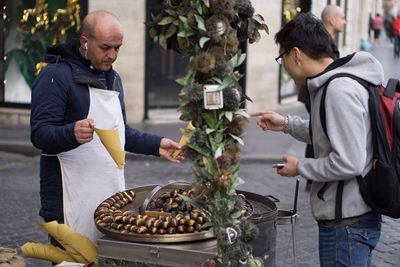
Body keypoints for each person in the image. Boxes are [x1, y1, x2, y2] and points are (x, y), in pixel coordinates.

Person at [30, 10, 182, 243]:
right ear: (85, 42)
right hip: (67, 198)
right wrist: (71, 133)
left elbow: (121, 133)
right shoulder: (55, 75)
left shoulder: (113, 78)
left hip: (108, 196)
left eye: (117, 48)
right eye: (105, 47)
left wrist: (157, 145)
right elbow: (39, 134)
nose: (112, 55)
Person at [252, 13, 383, 266]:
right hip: (352, 222)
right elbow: (333, 134)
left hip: (347, 225)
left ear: (296, 54)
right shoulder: (335, 83)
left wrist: (300, 167)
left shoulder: (338, 89)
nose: (285, 66)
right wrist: (287, 124)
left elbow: (349, 161)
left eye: (282, 58)